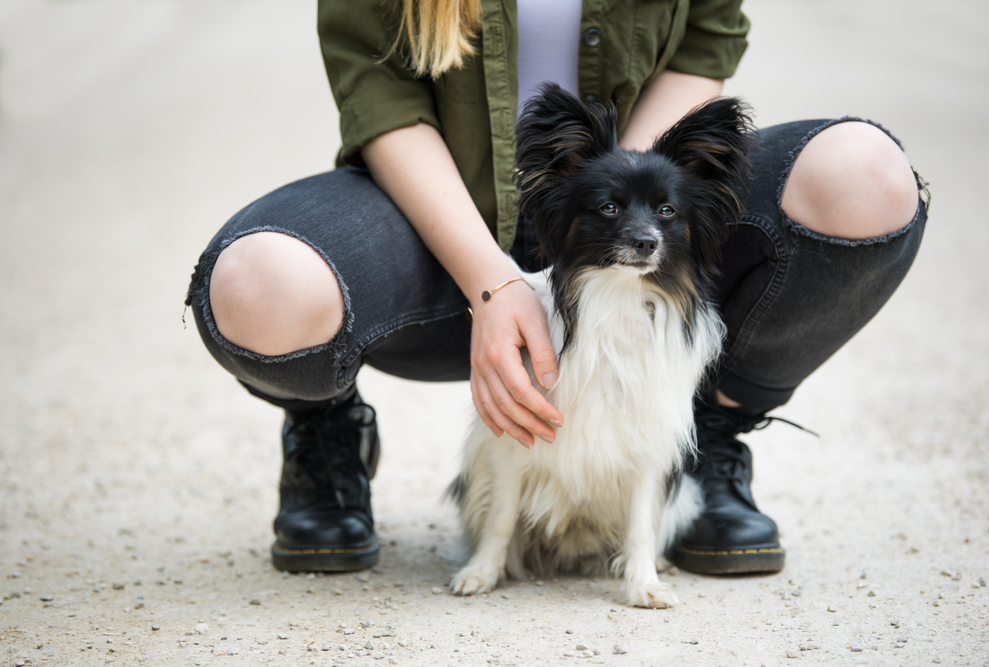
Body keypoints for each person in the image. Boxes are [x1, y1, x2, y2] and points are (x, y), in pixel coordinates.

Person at [185, 0, 927, 575]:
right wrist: (492, 282)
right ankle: (327, 434)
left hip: (610, 213)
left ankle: (699, 442)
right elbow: (379, 96)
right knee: (259, 286)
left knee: (864, 176)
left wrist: (615, 209)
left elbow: (708, 36)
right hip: (441, 222)